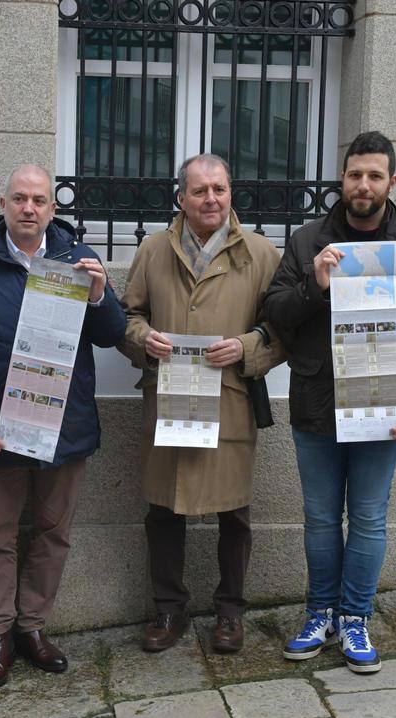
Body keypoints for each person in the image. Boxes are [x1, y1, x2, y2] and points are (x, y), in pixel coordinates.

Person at [263, 131, 396, 673]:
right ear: (341, 181)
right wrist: (314, 285)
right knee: (320, 519)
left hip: (385, 407)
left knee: (368, 519)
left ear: (392, 182)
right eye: (354, 175)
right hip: (318, 403)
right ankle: (318, 612)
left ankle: (355, 617)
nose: (363, 185)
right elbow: (276, 312)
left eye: (374, 175)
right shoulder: (306, 244)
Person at [0, 164, 125, 690]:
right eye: (19, 198)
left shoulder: (78, 261)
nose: (28, 208)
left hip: (64, 427)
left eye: (39, 200)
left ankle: (32, 628)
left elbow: (112, 334)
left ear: (52, 208)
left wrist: (99, 294)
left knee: (52, 531)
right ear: (3, 203)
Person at [119, 153, 284, 655]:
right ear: (181, 198)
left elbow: (283, 332)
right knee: (163, 510)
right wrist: (143, 338)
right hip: (168, 400)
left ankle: (230, 613)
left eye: (219, 188)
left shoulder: (260, 254)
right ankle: (168, 609)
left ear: (232, 193)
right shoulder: (152, 250)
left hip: (229, 401)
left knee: (234, 513)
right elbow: (128, 317)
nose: (210, 198)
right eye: (199, 190)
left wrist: (247, 347)